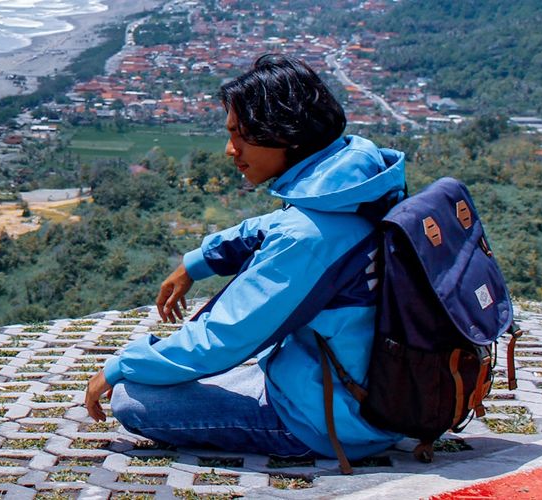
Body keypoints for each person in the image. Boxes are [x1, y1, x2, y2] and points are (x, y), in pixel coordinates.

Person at [82, 54, 405, 460]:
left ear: (285, 134)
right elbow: (272, 225)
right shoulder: (359, 183)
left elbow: (221, 339)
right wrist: (199, 260)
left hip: (329, 419)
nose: (230, 149)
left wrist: (120, 366)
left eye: (241, 135)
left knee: (134, 398)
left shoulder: (306, 238)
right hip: (373, 387)